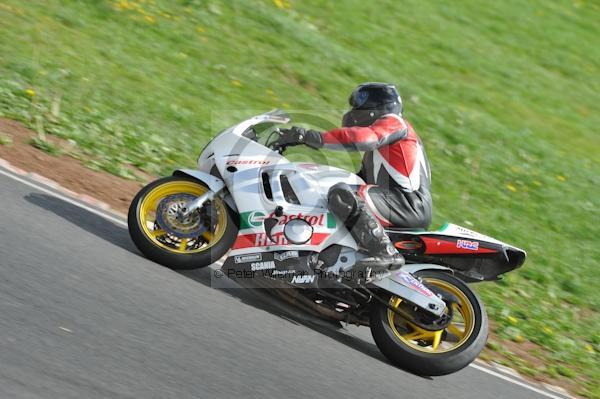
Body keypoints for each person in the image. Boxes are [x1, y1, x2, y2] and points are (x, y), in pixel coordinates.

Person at [278, 82, 432, 274]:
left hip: (406, 203)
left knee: (342, 194)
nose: (354, 111)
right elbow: (360, 180)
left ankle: (386, 254)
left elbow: (362, 138)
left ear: (377, 106)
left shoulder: (394, 123)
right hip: (396, 201)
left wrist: (307, 136)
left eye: (359, 104)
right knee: (336, 192)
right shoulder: (380, 149)